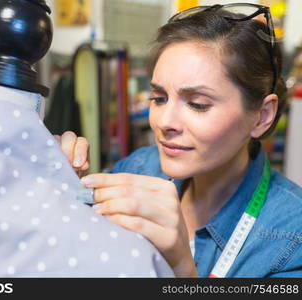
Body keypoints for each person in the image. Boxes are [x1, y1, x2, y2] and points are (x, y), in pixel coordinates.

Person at [58, 3, 302, 278]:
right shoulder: (140, 167)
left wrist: (181, 269)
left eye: (197, 104)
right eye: (159, 98)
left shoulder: (292, 238)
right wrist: (69, 182)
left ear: (261, 116)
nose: (164, 122)